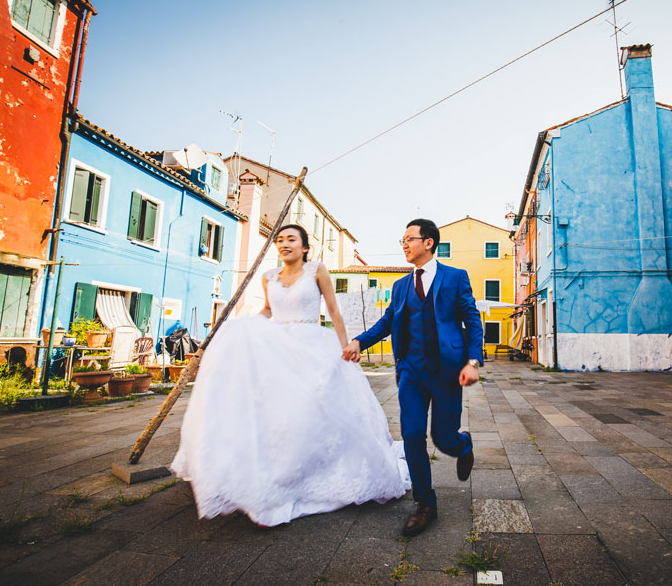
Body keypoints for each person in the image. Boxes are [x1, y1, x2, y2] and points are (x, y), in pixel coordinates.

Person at [171, 224, 410, 527]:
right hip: (277, 348)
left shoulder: (317, 271)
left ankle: (316, 471)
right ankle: (278, 477)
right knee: (276, 414)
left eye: (291, 239)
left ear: (305, 247)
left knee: (313, 411)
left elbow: (334, 311)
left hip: (313, 346)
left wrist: (346, 348)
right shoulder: (269, 277)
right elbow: (269, 310)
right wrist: (244, 327)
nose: (284, 244)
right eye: (280, 240)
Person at [342, 218, 483, 537]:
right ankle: (426, 505)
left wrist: (472, 361)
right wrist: (358, 341)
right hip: (411, 372)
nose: (404, 244)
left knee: (443, 439)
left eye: (409, 239)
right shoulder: (401, 285)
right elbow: (388, 322)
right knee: (413, 434)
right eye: (402, 240)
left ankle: (463, 445)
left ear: (428, 242)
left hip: (447, 371)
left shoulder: (455, 278)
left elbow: (472, 321)